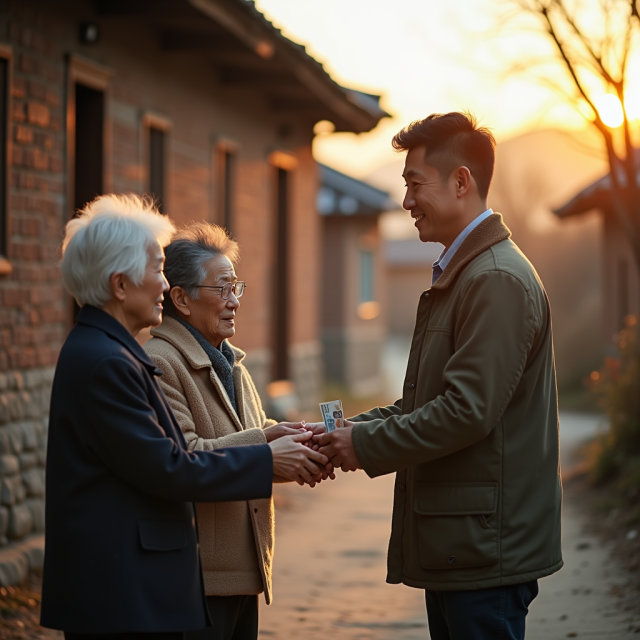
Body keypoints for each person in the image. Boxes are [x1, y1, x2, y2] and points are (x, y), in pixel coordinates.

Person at [315, 113, 562, 640]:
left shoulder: (494, 279)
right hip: (462, 541)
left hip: (483, 547)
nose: (406, 201)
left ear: (461, 182)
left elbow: (464, 412)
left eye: (413, 184)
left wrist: (365, 445)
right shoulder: (467, 272)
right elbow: (424, 402)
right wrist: (349, 434)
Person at [41, 195, 327, 640]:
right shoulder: (108, 362)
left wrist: (276, 439)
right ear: (120, 285)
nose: (162, 285)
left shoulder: (110, 352)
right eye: (157, 270)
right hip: (120, 588)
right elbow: (170, 466)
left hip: (126, 583)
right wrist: (269, 458)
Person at [144, 222, 328, 640]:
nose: (234, 302)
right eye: (222, 289)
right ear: (181, 299)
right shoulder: (160, 363)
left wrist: (301, 444)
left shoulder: (230, 361)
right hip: (198, 578)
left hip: (244, 573)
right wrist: (267, 443)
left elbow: (248, 436)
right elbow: (186, 454)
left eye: (236, 288)